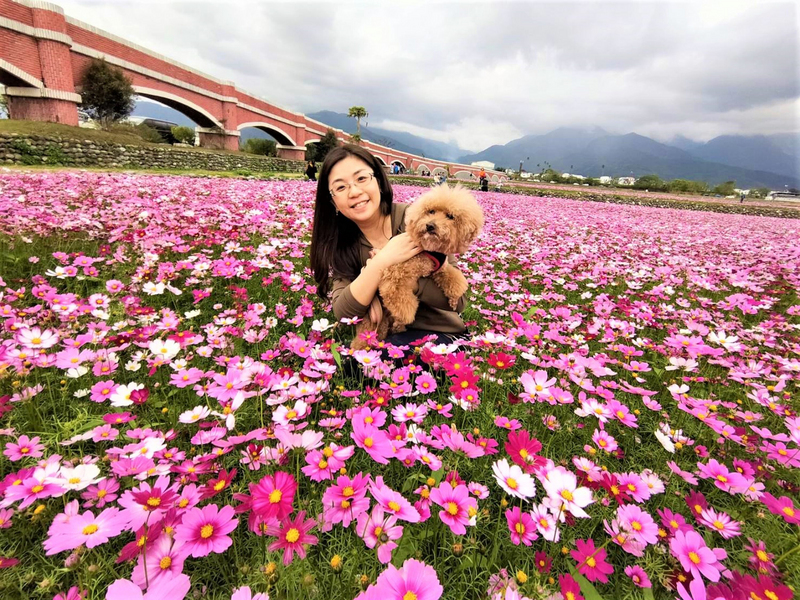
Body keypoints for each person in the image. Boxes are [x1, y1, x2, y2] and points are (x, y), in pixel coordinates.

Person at [310, 144, 469, 349]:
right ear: (332, 201)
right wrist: (381, 264)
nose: (355, 192)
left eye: (361, 178)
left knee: (376, 364)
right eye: (340, 187)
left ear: (378, 180)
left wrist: (406, 284)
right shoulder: (341, 244)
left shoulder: (415, 219)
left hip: (440, 335)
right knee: (358, 367)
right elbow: (344, 312)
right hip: (389, 337)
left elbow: (459, 300)